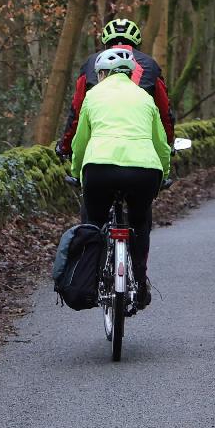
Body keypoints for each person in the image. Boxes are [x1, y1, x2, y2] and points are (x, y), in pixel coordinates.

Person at [70, 45, 171, 309]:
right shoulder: (145, 98)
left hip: (99, 169)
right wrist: (164, 174)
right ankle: (139, 279)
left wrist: (76, 171)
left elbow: (80, 143)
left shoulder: (93, 96)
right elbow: (161, 144)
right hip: (144, 172)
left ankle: (90, 279)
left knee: (93, 221)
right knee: (140, 223)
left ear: (102, 73)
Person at [57, 16, 175, 159]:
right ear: (136, 43)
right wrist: (169, 143)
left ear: (106, 43)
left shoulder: (90, 63)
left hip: (98, 152)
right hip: (141, 150)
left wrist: (65, 146)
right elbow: (164, 113)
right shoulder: (151, 65)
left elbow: (77, 111)